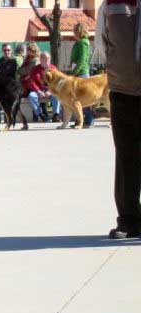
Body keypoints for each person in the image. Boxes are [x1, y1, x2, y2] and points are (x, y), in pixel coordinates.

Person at [96, 0, 141, 239]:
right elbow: (103, 41)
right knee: (126, 157)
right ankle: (128, 220)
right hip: (122, 89)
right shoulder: (111, 4)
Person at [25, 51, 61, 123]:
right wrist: (38, 91)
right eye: (45, 58)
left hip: (50, 90)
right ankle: (40, 115)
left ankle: (56, 115)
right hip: (38, 91)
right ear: (41, 59)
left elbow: (57, 82)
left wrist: (50, 91)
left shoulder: (53, 68)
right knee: (31, 96)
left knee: (57, 96)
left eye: (48, 58)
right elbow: (31, 82)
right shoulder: (35, 69)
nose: (47, 60)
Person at [69, 22, 94, 127]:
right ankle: (80, 120)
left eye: (74, 30)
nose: (73, 33)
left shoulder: (83, 42)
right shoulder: (80, 42)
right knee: (77, 99)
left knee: (84, 98)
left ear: (79, 31)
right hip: (78, 73)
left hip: (82, 74)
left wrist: (74, 73)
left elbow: (82, 60)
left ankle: (88, 120)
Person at [0, 43, 18, 123]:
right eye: (5, 50)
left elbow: (10, 72)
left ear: (11, 51)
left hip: (10, 85)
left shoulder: (13, 61)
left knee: (6, 97)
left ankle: (8, 119)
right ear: (2, 51)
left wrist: (1, 71)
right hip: (0, 85)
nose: (7, 52)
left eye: (8, 50)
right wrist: (2, 72)